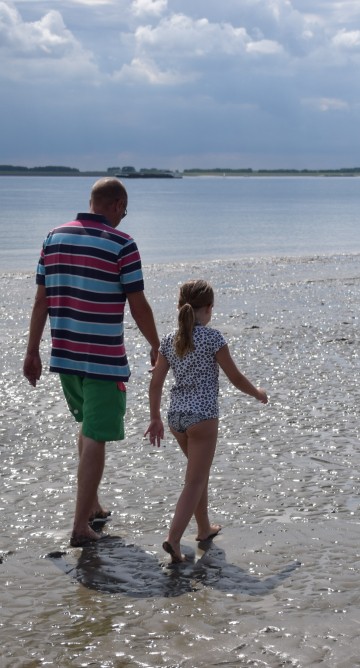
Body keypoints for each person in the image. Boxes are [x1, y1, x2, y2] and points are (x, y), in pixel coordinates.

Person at [23, 177, 160, 547]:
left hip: (65, 354)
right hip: (102, 358)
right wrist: (156, 344)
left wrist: (32, 349)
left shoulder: (53, 237)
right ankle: (80, 526)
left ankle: (94, 506)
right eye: (124, 210)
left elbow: (41, 301)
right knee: (97, 434)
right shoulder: (122, 243)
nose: (123, 217)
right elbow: (138, 304)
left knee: (87, 425)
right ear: (116, 204)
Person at [145, 279, 268, 563]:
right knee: (195, 479)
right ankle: (173, 539)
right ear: (209, 309)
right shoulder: (213, 338)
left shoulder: (168, 341)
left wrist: (154, 417)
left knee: (196, 477)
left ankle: (203, 528)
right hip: (202, 418)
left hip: (176, 418)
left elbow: (156, 384)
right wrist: (258, 393)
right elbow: (235, 378)